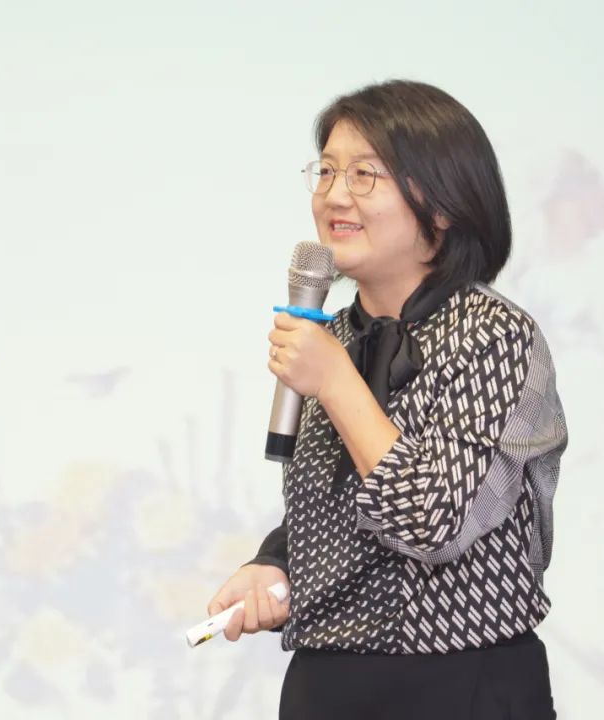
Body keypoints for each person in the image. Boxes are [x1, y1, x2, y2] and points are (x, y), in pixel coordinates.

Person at [205, 80, 567, 719]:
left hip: (463, 686)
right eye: (326, 171)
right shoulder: (336, 337)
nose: (334, 195)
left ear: (444, 204)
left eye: (365, 174)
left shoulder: (494, 335)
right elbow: (341, 509)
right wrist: (275, 564)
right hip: (327, 686)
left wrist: (337, 382)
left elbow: (434, 521)